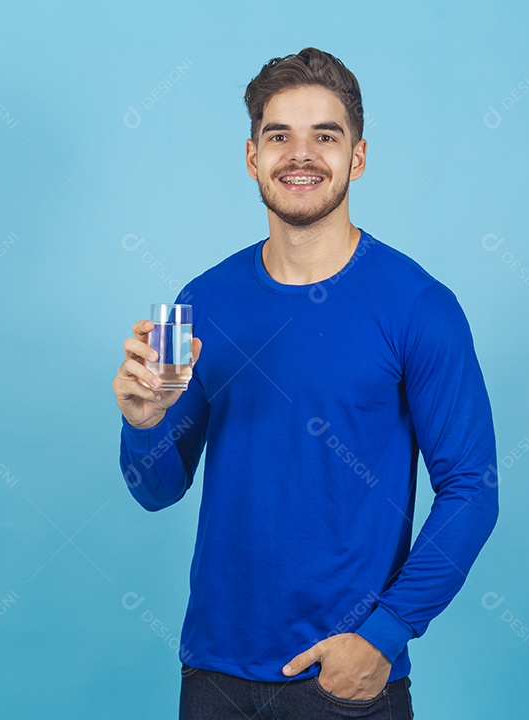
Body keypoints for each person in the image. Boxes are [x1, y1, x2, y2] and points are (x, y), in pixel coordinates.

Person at [112, 47, 498, 720]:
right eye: (278, 136)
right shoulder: (200, 302)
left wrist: (383, 636)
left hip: (346, 681)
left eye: (326, 135)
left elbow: (473, 489)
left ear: (359, 157)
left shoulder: (417, 305)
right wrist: (143, 425)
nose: (301, 154)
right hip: (213, 677)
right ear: (252, 158)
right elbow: (157, 490)